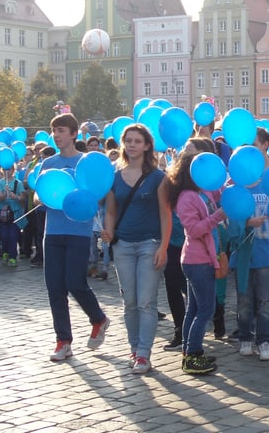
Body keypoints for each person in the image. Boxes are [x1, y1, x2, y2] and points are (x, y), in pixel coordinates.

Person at [39, 113, 110, 362]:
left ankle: (98, 318)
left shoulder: (85, 162)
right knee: (54, 288)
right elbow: (39, 193)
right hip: (52, 231)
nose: (57, 135)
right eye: (54, 131)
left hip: (79, 231)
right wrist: (43, 197)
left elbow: (98, 194)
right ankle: (63, 341)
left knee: (75, 282)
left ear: (73, 134)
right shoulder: (49, 163)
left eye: (61, 130)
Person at [102, 124, 171, 374]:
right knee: (129, 301)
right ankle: (133, 348)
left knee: (146, 302)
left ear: (147, 145)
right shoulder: (114, 176)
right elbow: (111, 211)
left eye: (137, 141)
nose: (132, 145)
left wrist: (163, 246)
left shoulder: (157, 177)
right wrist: (108, 232)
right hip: (122, 245)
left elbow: (165, 214)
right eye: (128, 140)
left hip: (149, 244)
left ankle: (143, 353)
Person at [168, 140, 227, 375]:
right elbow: (193, 230)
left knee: (193, 309)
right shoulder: (186, 197)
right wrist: (218, 216)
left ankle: (189, 352)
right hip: (197, 260)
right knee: (205, 310)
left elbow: (220, 194)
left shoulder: (203, 192)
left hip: (201, 258)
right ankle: (193, 354)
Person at [229, 128, 269, 361]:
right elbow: (230, 225)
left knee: (265, 301)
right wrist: (246, 222)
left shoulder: (267, 187)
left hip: (265, 253)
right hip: (243, 255)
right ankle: (245, 338)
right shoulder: (234, 190)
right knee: (244, 300)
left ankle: (264, 341)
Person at [0, 165, 27, 267]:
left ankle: (13, 257)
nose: (7, 171)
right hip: (3, 213)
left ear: (13, 170)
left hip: (14, 213)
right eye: (4, 169)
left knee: (13, 235)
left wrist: (16, 197)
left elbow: (23, 198)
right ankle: (5, 252)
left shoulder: (18, 183)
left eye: (9, 169)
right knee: (4, 235)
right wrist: (5, 193)